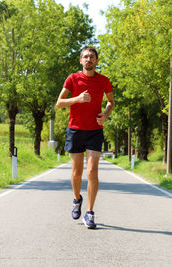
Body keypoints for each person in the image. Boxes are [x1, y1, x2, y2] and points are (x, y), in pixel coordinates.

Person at [56, 46, 115, 229]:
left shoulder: (104, 80)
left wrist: (105, 115)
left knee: (92, 171)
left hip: (94, 131)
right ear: (81, 60)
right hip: (75, 129)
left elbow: (111, 102)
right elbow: (59, 103)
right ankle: (76, 199)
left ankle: (89, 213)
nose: (89, 59)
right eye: (85, 57)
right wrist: (77, 99)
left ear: (97, 61)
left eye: (92, 57)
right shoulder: (73, 78)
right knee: (76, 173)